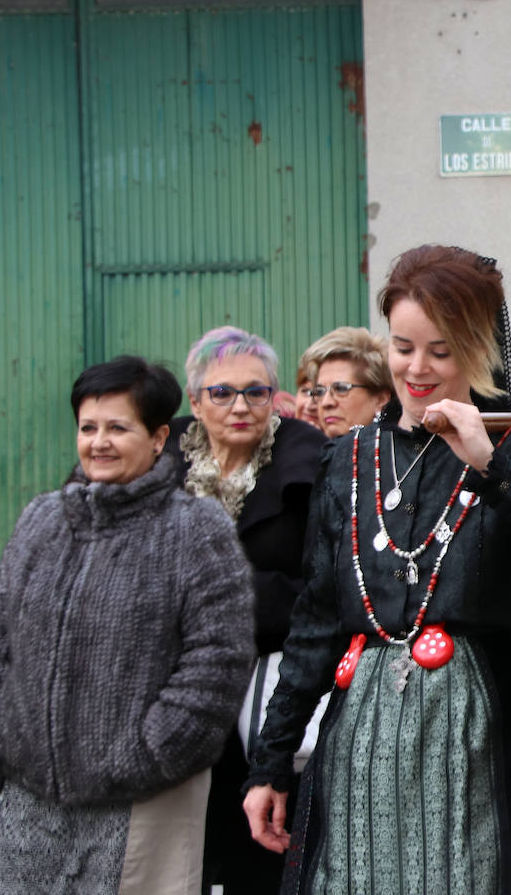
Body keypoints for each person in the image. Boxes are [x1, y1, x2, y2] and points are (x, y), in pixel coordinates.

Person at [241, 245, 511, 893]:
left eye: (441, 349)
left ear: (479, 347)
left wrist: (492, 467)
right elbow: (316, 622)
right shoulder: (348, 459)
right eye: (403, 346)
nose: (418, 367)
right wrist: (269, 765)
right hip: (364, 743)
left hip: (487, 738)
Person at [0, 356, 254, 894]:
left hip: (142, 799)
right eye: (88, 428)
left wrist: (147, 753)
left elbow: (217, 663)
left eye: (118, 428)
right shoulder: (41, 520)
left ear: (159, 438)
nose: (99, 443)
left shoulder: (194, 528)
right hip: (32, 803)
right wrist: (0, 743)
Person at [165, 326, 326, 893]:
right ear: (194, 401)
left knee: (260, 855)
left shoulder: (306, 462)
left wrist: (208, 601)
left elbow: (319, 584)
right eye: (222, 393)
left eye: (256, 392)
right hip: (173, 693)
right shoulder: (162, 461)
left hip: (265, 691)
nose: (240, 406)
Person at [308, 326, 393, 438]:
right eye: (319, 391)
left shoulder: (398, 453)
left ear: (380, 399)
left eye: (341, 389)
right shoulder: (308, 451)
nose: (326, 402)